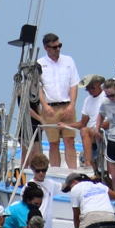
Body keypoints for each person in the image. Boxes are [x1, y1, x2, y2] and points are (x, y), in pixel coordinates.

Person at [37, 32, 81, 169]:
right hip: (50, 107)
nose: (57, 49)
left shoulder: (68, 61)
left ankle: (72, 170)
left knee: (69, 140)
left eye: (59, 46)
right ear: (46, 48)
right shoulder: (40, 63)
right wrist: (44, 105)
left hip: (67, 105)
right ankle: (56, 170)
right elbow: (38, 86)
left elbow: (74, 84)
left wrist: (72, 104)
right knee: (53, 142)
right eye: (54, 47)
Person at [76, 74, 107, 173]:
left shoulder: (107, 96)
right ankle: (90, 164)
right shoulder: (87, 100)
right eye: (87, 89)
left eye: (92, 88)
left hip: (105, 130)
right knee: (84, 130)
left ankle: (87, 163)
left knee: (85, 131)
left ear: (99, 84)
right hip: (92, 132)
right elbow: (82, 123)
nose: (90, 91)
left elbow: (112, 120)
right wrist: (65, 125)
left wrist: (97, 128)